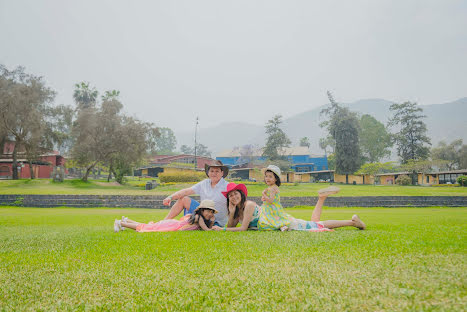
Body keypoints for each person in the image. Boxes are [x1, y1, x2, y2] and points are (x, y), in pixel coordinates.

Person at [213, 182, 366, 232]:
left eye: (235, 194)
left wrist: (222, 229)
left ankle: (353, 222)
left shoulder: (249, 205)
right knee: (313, 223)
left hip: (282, 223)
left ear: (241, 193)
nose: (233, 197)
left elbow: (242, 229)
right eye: (230, 195)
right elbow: (232, 225)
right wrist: (232, 212)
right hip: (278, 223)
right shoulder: (237, 210)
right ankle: (321, 198)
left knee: (316, 225)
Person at [162, 160, 229, 226]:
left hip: (216, 221)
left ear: (222, 173)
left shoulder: (227, 186)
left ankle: (196, 222)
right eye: (212, 171)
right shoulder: (204, 183)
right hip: (203, 214)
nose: (214, 173)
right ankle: (164, 222)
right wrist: (170, 197)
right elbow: (186, 191)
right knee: (184, 199)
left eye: (217, 171)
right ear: (208, 173)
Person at [114, 199, 218, 232]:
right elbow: (207, 230)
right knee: (147, 228)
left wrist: (211, 221)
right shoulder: (199, 218)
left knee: (149, 226)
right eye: (208, 211)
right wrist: (213, 225)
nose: (210, 214)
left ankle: (127, 221)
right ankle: (120, 222)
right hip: (171, 225)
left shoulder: (199, 218)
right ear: (201, 210)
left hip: (172, 224)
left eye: (211, 212)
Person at [256, 165, 291, 230]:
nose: (267, 178)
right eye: (266, 176)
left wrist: (263, 194)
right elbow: (267, 199)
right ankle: (282, 226)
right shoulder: (271, 187)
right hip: (270, 208)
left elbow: (271, 200)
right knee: (273, 220)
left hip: (272, 209)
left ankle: (281, 226)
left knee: (269, 222)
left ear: (276, 179)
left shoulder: (273, 188)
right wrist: (264, 198)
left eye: (270, 177)